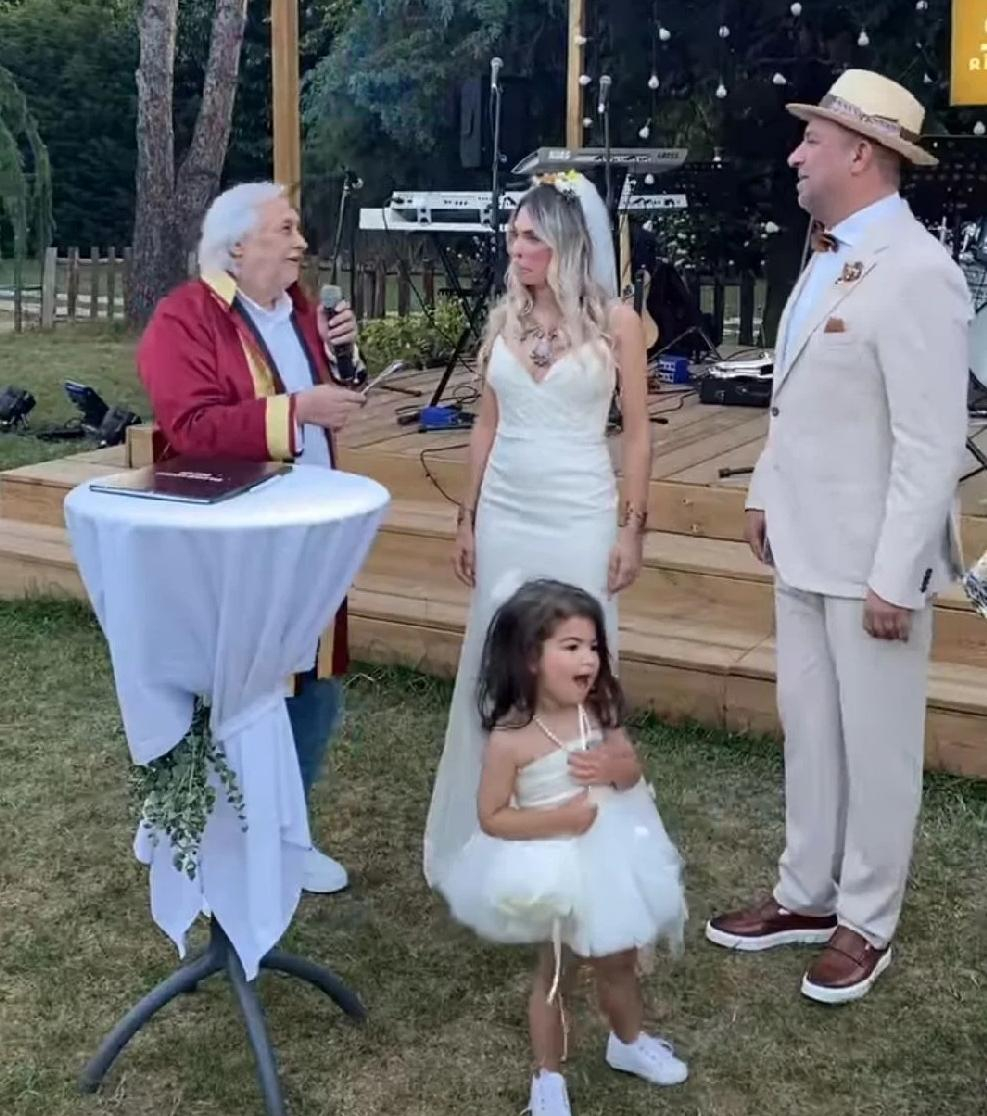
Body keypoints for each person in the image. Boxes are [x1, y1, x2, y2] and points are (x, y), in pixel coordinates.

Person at [705, 71, 970, 1004]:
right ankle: (806, 894)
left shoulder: (919, 271)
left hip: (870, 564)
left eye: (810, 140)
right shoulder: (826, 255)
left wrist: (897, 574)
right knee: (810, 734)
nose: (794, 154)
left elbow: (930, 443)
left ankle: (866, 919)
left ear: (860, 153)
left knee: (878, 746)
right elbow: (794, 399)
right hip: (804, 543)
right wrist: (764, 492)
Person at [137, 181, 369, 895]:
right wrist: (298, 409)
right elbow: (191, 429)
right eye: (286, 229)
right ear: (237, 245)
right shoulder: (183, 319)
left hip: (310, 534)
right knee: (228, 693)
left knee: (314, 683)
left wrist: (345, 360)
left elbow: (329, 397)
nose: (302, 243)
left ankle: (286, 834)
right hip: (232, 546)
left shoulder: (300, 311)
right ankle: (197, 831)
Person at [423, 171, 652, 888]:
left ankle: (589, 838)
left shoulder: (617, 323)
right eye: (513, 234)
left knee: (578, 664)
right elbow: (484, 428)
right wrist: (466, 517)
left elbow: (638, 434)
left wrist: (632, 527)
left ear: (564, 243)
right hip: (506, 514)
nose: (515, 247)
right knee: (501, 657)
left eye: (529, 236)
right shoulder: (504, 321)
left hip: (580, 511)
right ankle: (490, 825)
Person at [439, 579, 687, 1115]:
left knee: (619, 958)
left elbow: (631, 767)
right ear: (530, 658)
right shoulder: (511, 739)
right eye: (571, 647)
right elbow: (493, 817)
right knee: (555, 975)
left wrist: (616, 768)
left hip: (613, 856)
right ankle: (547, 1076)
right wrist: (562, 819)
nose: (588, 659)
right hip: (553, 868)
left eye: (593, 646)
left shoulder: (598, 709)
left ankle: (628, 1042)